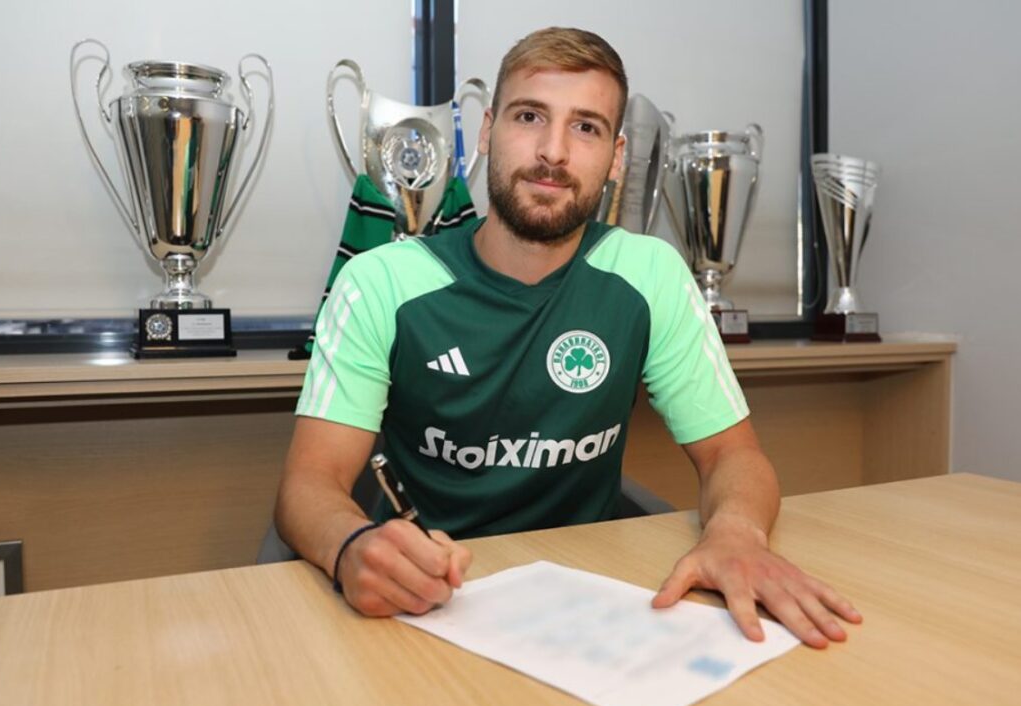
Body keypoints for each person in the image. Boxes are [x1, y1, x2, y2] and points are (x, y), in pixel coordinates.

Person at [276, 26, 862, 648]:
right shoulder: (381, 282)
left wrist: (737, 533)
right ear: (487, 131)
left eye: (585, 127)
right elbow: (309, 484)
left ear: (616, 156)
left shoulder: (650, 273)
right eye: (530, 116)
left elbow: (731, 456)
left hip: (588, 601)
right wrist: (351, 545)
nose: (553, 151)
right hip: (428, 603)